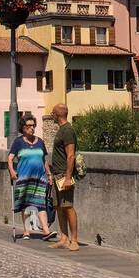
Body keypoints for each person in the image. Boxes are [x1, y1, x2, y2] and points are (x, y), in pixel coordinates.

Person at [7, 115, 51, 240]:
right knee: (25, 204)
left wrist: (49, 174)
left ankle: (46, 231)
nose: (32, 128)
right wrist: (12, 171)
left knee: (41, 203)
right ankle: (27, 231)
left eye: (33, 125)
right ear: (23, 128)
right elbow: (10, 158)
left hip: (40, 177)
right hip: (24, 177)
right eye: (29, 126)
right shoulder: (18, 142)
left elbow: (44, 160)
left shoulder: (40, 142)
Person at [48, 104, 79, 251]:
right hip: (57, 174)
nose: (51, 115)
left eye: (52, 113)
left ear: (57, 115)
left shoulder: (67, 130)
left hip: (63, 175)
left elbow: (71, 155)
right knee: (59, 207)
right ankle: (64, 238)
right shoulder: (62, 130)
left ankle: (74, 240)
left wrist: (68, 177)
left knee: (68, 206)